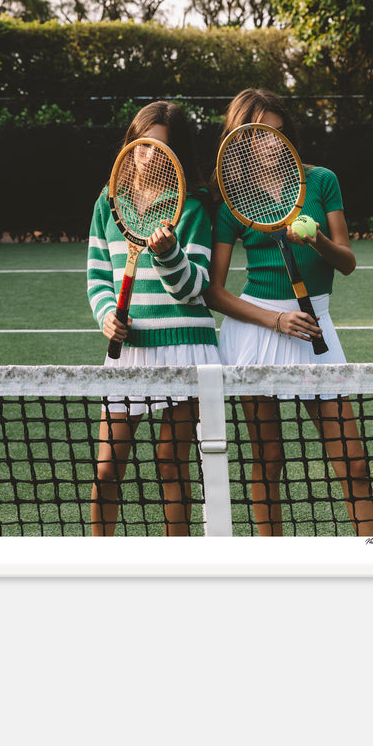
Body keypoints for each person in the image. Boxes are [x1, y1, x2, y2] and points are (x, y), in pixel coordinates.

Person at [203, 88, 373, 536]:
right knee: (268, 462)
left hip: (316, 327)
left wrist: (318, 240)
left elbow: (347, 262)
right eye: (260, 135)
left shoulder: (321, 180)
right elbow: (214, 292)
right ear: (241, 140)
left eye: (278, 133)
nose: (271, 143)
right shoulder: (230, 200)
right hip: (256, 333)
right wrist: (276, 320)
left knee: (354, 462)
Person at [86, 101, 218, 536]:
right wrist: (107, 316)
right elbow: (99, 277)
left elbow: (192, 287)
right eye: (143, 145)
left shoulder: (194, 206)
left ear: (177, 154)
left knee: (170, 463)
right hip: (128, 355)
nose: (150, 155)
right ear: (131, 145)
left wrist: (167, 254)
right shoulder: (107, 204)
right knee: (106, 469)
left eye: (162, 148)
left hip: (185, 346)